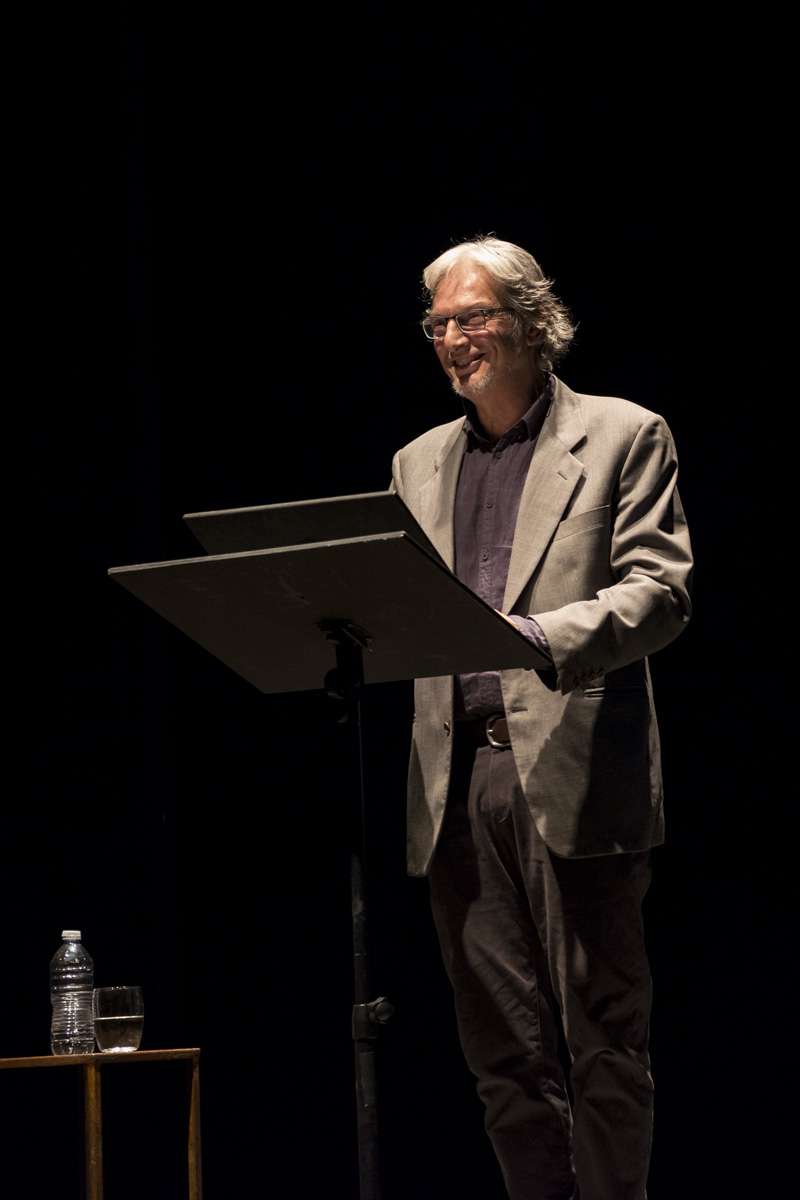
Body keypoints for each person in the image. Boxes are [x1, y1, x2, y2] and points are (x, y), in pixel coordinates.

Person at [390, 236, 693, 1200]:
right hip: (455, 787)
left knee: (605, 1043)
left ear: (531, 321)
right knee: (502, 1058)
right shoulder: (416, 464)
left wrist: (539, 634)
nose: (453, 340)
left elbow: (661, 592)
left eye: (473, 317)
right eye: (438, 324)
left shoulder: (622, 433)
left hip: (573, 768)